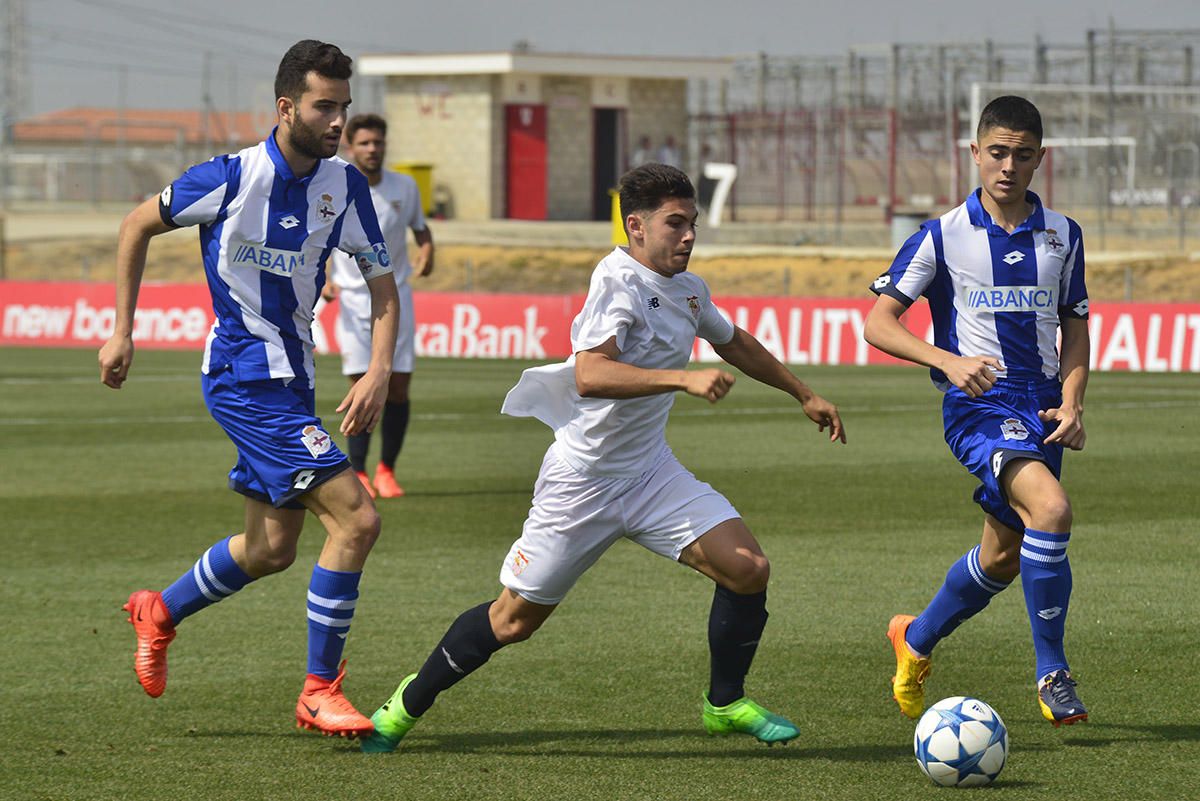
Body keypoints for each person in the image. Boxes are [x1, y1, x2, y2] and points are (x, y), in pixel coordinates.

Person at [359, 163, 847, 754]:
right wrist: (682, 379)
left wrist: (804, 393)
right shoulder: (616, 279)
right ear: (636, 226)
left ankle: (724, 704)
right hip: (581, 484)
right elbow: (590, 373)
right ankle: (405, 705)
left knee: (747, 568)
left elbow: (734, 341)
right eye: (676, 224)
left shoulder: (689, 288)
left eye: (693, 223)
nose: (689, 235)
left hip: (649, 474)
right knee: (512, 620)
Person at [97, 40, 400, 739]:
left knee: (269, 548)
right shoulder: (230, 178)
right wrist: (122, 330)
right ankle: (318, 690)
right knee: (356, 519)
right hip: (242, 374)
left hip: (295, 378)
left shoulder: (345, 186)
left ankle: (159, 611)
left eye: (345, 107)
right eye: (326, 106)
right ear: (287, 106)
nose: (338, 121)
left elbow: (384, 290)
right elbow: (135, 224)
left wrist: (379, 368)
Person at [863, 95, 1091, 728]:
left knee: (1003, 556)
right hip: (981, 405)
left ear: (1040, 158)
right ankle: (1053, 673)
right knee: (1052, 509)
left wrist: (1072, 400)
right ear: (974, 153)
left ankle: (915, 638)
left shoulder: (1063, 235)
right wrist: (947, 360)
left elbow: (1074, 325)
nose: (1008, 166)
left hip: (1042, 408)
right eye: (997, 152)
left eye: (1022, 154)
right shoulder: (941, 235)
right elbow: (878, 325)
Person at [324, 113, 434, 499]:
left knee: (398, 386)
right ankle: (359, 471)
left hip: (395, 298)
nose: (373, 149)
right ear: (351, 147)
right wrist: (325, 277)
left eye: (378, 142)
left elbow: (420, 227)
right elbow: (319, 235)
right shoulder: (335, 185)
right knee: (362, 384)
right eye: (365, 143)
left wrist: (427, 250)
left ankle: (387, 469)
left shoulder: (404, 187)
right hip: (353, 301)